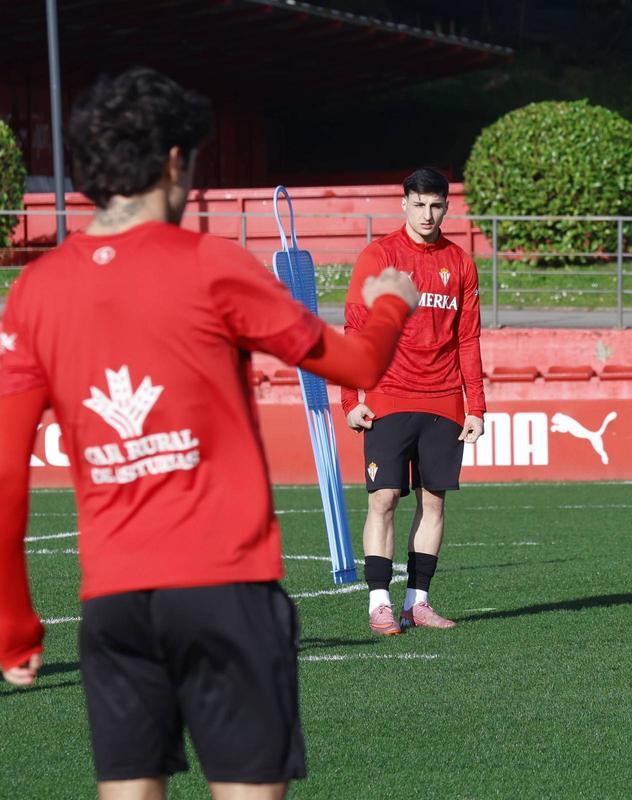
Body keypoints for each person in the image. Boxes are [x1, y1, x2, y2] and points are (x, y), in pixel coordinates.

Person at [0, 68, 419, 799]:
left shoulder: (34, 290)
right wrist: (389, 305)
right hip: (226, 589)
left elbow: (5, 475)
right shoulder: (212, 264)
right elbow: (355, 364)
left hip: (115, 601)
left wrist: (14, 626)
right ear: (172, 161)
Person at [341, 167, 485, 635]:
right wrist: (350, 399)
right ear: (404, 203)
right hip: (388, 395)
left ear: (447, 207)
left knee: (434, 503)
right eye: (419, 204)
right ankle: (379, 603)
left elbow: (468, 339)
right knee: (383, 498)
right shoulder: (379, 256)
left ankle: (417, 603)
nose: (427, 214)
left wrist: (476, 406)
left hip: (444, 401)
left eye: (436, 205)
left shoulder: (460, 263)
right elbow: (355, 329)